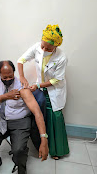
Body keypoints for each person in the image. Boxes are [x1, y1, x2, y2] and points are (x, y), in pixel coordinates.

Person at [0, 60, 49, 174]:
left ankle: (21, 169)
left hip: (20, 121)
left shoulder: (21, 86)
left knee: (19, 150)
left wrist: (43, 139)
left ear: (14, 73)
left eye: (10, 76)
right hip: (1, 119)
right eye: (4, 77)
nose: (8, 80)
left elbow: (37, 112)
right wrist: (6, 96)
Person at [17, 24, 69, 160]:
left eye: (49, 48)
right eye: (43, 46)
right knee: (42, 114)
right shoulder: (36, 47)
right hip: (40, 88)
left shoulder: (62, 57)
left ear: (55, 47)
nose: (44, 49)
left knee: (55, 117)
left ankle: (57, 150)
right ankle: (42, 146)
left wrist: (38, 84)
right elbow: (21, 60)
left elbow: (56, 80)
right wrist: (22, 76)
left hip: (54, 89)